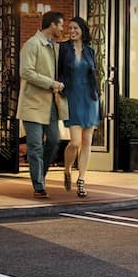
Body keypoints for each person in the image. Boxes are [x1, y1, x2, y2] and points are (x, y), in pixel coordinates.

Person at [18, 11, 68, 199]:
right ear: (52, 25)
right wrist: (51, 83)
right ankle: (38, 185)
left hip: (50, 105)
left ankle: (40, 176)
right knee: (35, 146)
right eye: (61, 25)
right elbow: (26, 72)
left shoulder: (55, 46)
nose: (62, 29)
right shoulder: (32, 44)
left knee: (54, 141)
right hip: (32, 104)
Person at [58, 16, 99, 197]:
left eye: (76, 28)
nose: (72, 31)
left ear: (82, 30)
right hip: (72, 98)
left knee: (87, 141)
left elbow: (94, 74)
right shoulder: (63, 49)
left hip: (90, 99)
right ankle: (67, 170)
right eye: (70, 28)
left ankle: (81, 180)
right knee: (75, 142)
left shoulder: (90, 51)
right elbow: (58, 72)